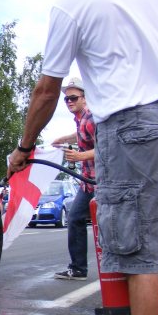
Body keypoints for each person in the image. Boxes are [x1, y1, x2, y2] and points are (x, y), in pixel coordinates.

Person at [8, 0, 158, 315]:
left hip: (130, 124)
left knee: (137, 254)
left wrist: (24, 147)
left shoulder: (73, 2)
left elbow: (46, 90)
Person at [51, 77, 96, 281]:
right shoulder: (80, 119)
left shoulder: (91, 118)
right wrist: (63, 139)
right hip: (87, 182)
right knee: (75, 217)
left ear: (85, 98)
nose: (69, 102)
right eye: (66, 99)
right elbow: (80, 135)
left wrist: (80, 156)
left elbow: (107, 148)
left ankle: (119, 272)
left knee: (105, 226)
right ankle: (78, 268)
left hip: (101, 182)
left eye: (74, 98)